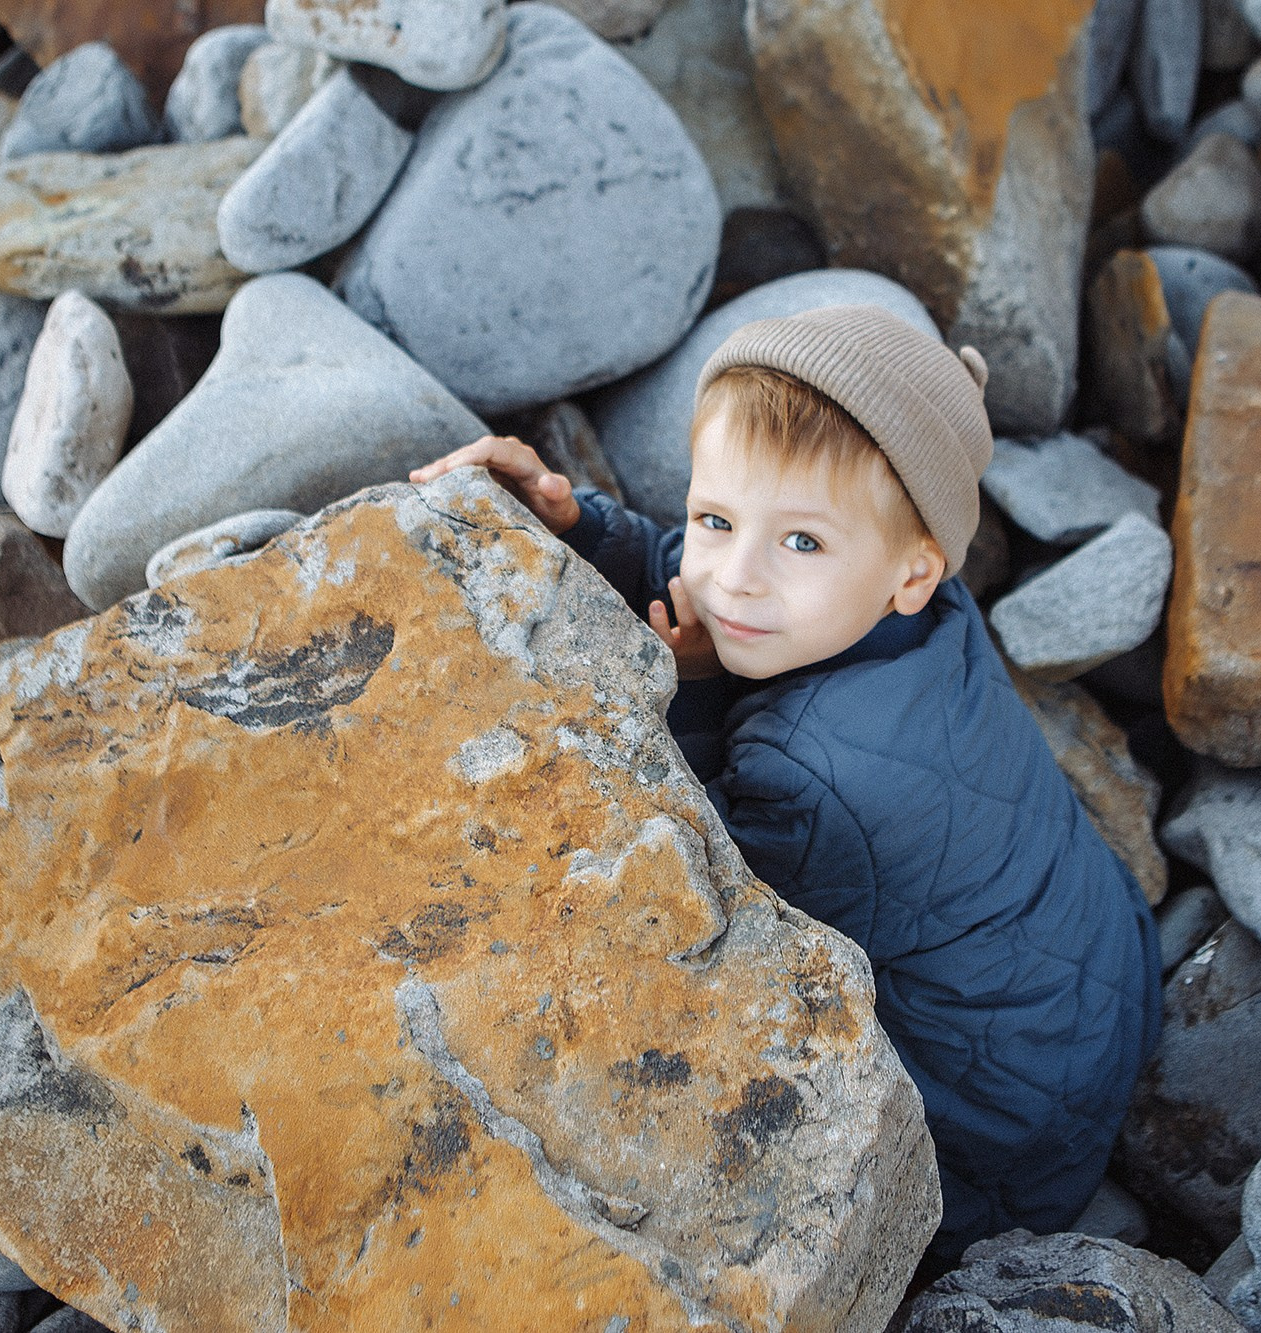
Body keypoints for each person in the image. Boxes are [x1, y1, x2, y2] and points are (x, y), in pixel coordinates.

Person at [410, 304, 1163, 1259]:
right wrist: (574, 522)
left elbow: (704, 897)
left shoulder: (816, 773)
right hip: (1106, 973)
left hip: (989, 1133)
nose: (735, 578)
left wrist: (685, 691)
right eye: (715, 516)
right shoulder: (903, 603)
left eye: (801, 542)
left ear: (913, 571)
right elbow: (691, 578)